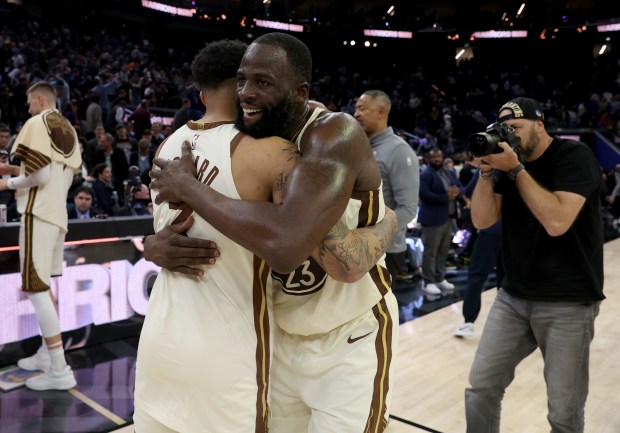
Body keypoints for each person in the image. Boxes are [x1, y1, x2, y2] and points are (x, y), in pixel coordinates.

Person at [134, 39, 397, 433]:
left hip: (347, 333)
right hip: (277, 338)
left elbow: (289, 243)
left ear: (300, 92)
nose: (246, 94)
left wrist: (190, 189)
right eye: (241, 80)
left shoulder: (333, 133)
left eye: (262, 82)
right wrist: (155, 247)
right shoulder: (250, 141)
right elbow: (199, 222)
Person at [465, 97, 605, 432]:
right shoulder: (505, 165)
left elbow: (556, 221)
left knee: (564, 413)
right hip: (513, 297)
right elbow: (482, 221)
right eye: (502, 130)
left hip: (568, 303)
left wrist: (516, 169)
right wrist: (487, 171)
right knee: (481, 389)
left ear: (539, 126)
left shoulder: (574, 157)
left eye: (515, 128)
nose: (508, 135)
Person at [0, 81, 81, 390]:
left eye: (28, 102)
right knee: (44, 289)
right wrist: (10, 170)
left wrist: (7, 184)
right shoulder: (70, 130)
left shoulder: (37, 121)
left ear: (38, 99)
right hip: (58, 216)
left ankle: (59, 370)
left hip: (38, 214)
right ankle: (47, 355)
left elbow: (39, 175)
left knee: (36, 290)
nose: (27, 107)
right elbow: (57, 173)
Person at [354, 89, 420, 291]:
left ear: (381, 112)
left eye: (362, 108)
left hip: (385, 250)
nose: (356, 113)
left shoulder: (398, 150)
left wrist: (374, 237)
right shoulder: (359, 146)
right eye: (356, 108)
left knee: (379, 316)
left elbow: (408, 208)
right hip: (357, 245)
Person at [453, 170, 503, 337]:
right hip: (516, 232)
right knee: (507, 279)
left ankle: (468, 322)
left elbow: (467, 193)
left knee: (476, 275)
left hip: (490, 229)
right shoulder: (521, 166)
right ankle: (509, 323)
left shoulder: (490, 167)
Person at [418, 146, 464, 294]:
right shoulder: (426, 174)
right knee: (431, 252)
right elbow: (424, 194)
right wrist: (446, 197)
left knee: (443, 251)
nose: (437, 159)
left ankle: (439, 278)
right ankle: (427, 281)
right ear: (428, 159)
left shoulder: (449, 172)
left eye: (439, 156)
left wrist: (457, 192)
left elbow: (461, 187)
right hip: (432, 218)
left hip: (448, 217)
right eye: (434, 157)